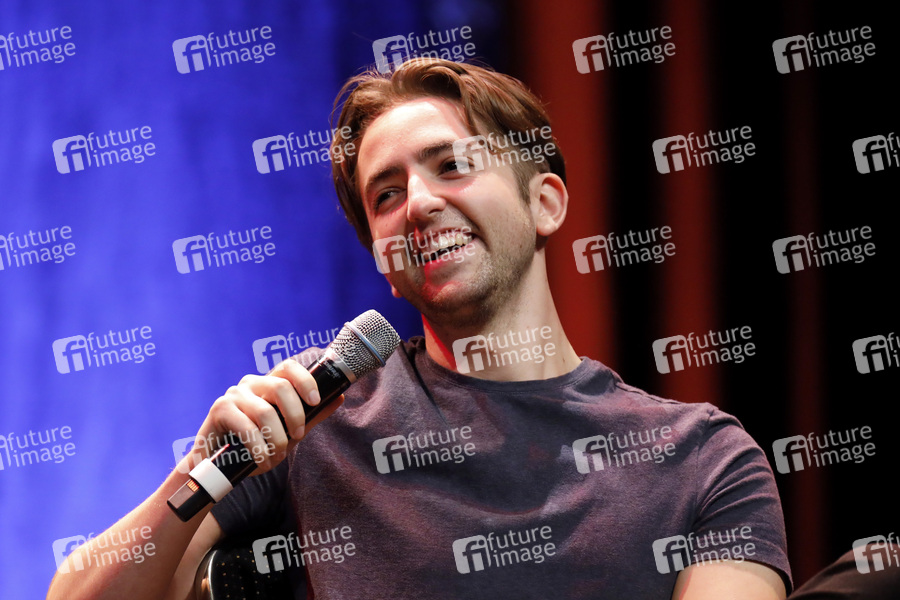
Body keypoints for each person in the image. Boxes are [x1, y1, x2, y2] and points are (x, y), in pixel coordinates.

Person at [47, 58, 791, 600]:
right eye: (386, 195)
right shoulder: (314, 419)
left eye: (453, 165)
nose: (420, 204)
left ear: (545, 203)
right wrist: (198, 472)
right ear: (383, 259)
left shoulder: (702, 459)